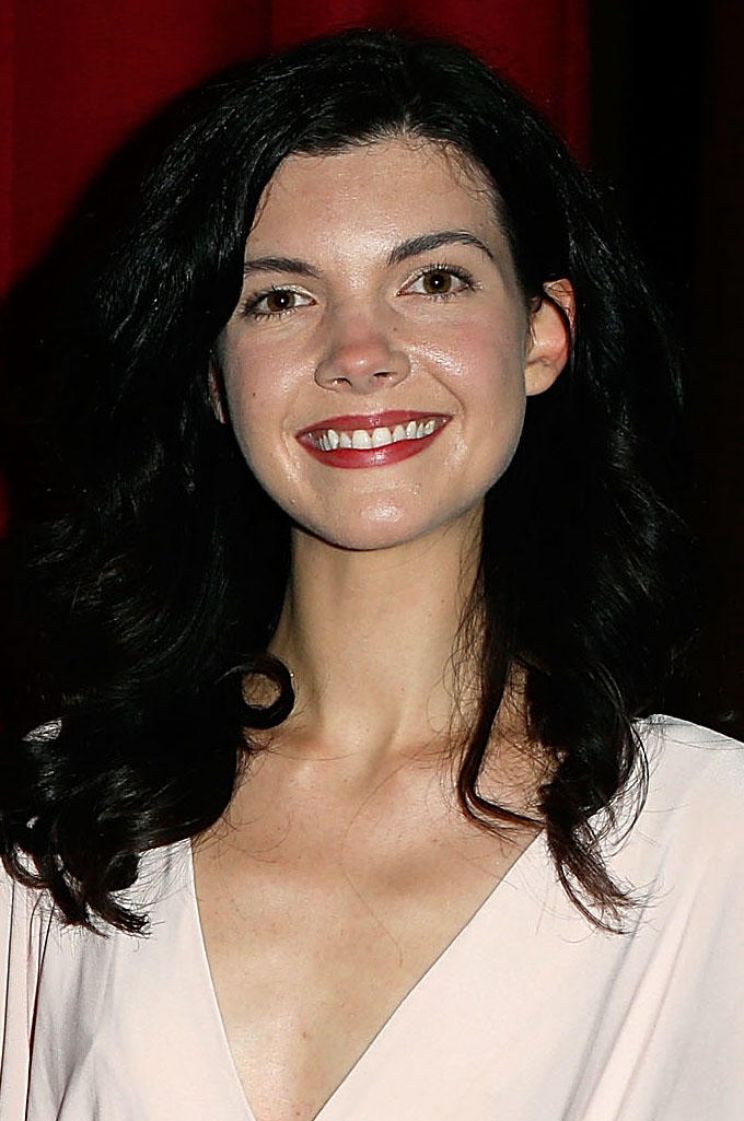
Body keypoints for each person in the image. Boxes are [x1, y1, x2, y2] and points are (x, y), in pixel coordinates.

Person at [1, 27, 742, 1121]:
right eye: (280, 298)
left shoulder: (710, 834)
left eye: (434, 280)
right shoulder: (58, 819)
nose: (359, 353)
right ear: (213, 376)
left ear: (542, 336)